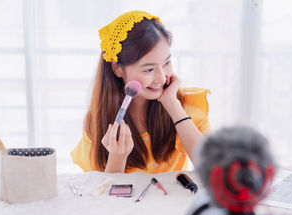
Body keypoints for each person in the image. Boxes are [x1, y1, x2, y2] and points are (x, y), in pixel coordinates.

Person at [71, 10, 211, 173]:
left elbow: (211, 169)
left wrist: (173, 105)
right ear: (117, 68)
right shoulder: (98, 121)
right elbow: (104, 193)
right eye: (149, 69)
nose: (161, 78)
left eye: (166, 63)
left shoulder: (191, 105)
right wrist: (117, 157)